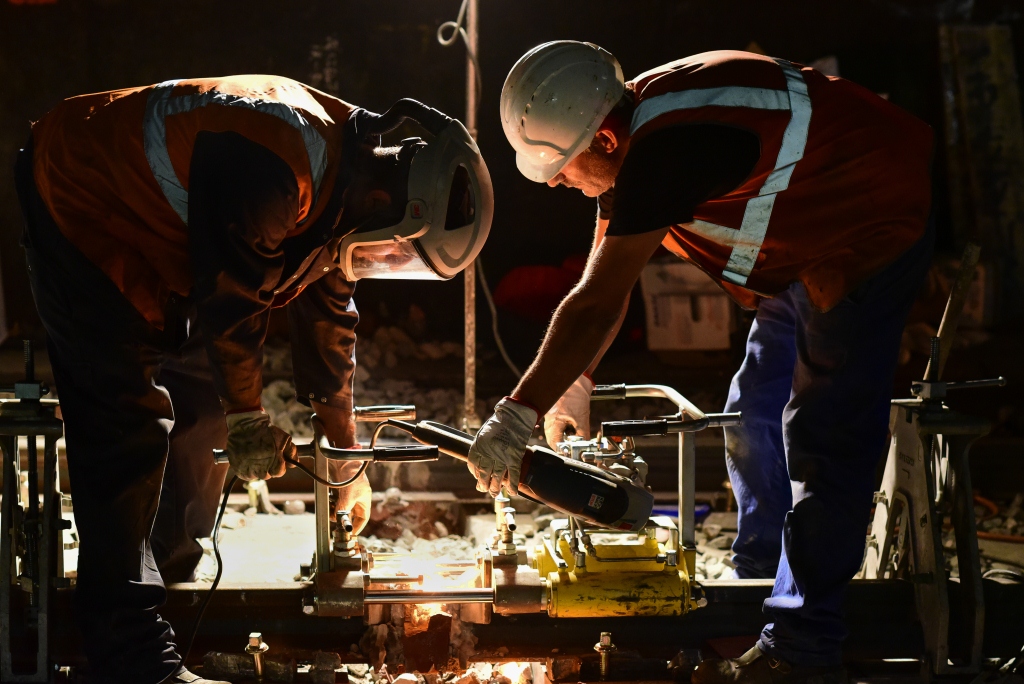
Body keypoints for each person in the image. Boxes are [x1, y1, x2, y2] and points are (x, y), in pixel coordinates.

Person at [469, 42, 933, 684]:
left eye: (561, 165)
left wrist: (517, 414)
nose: (553, 182)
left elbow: (596, 303)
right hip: (801, 234)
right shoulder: (634, 127)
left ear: (604, 139)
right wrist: (574, 382)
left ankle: (802, 647)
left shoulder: (670, 150)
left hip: (866, 220)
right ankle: (761, 579)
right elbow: (607, 277)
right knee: (753, 414)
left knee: (824, 437)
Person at [15, 77, 491, 684]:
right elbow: (233, 301)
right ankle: (130, 654)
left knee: (206, 395)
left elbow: (329, 305)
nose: (380, 263)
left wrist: (345, 449)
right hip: (81, 194)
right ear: (384, 200)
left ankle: (162, 566)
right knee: (124, 419)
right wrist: (248, 419)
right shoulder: (280, 164)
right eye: (392, 254)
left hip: (166, 227)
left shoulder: (352, 173)